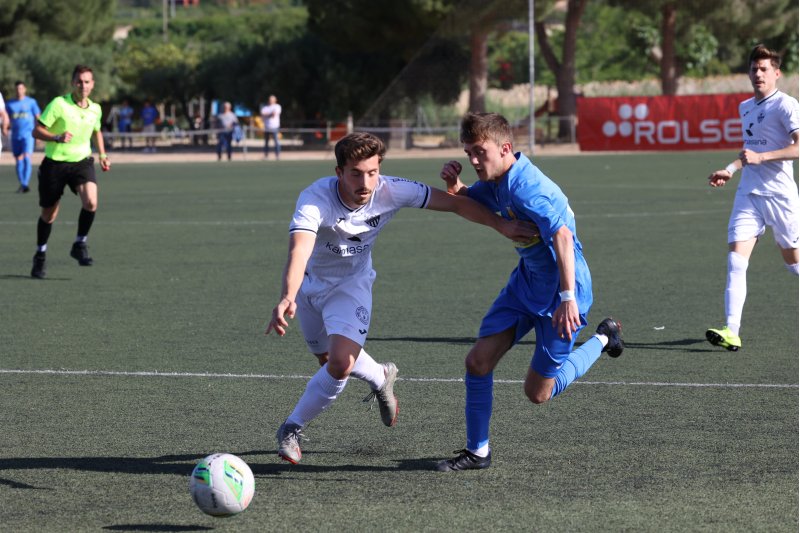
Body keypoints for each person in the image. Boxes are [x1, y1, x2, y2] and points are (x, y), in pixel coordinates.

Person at [266, 132, 539, 465]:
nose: (365, 182)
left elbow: (455, 203)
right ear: (339, 173)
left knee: (339, 364)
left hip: (351, 286)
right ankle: (381, 376)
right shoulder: (314, 199)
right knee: (329, 363)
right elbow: (300, 248)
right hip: (309, 288)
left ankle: (291, 428)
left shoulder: (393, 189)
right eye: (355, 173)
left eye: (372, 172)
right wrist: (288, 296)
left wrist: (502, 226)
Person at [434, 112, 624, 472]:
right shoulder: (496, 178)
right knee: (477, 361)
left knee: (538, 393)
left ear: (505, 147)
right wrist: (456, 185)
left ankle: (604, 337)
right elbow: (471, 201)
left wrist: (568, 298)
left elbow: (563, 237)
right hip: (525, 285)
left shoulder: (527, 188)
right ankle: (478, 452)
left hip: (563, 293)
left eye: (479, 152)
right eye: (468, 152)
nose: (474, 160)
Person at [705, 44, 799, 352]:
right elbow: (749, 151)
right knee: (735, 262)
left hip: (781, 196)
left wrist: (763, 157)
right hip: (749, 193)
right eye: (753, 69)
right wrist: (731, 169)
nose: (758, 74)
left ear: (776, 73)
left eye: (763, 69)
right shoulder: (745, 107)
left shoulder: (787, 105)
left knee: (793, 263)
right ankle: (732, 331)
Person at [30, 64, 111, 279]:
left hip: (81, 162)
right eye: (79, 81)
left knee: (91, 202)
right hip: (55, 164)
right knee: (49, 214)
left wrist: (102, 155)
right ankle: (40, 254)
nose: (82, 85)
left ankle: (80, 243)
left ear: (92, 85)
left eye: (87, 81)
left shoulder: (95, 109)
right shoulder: (59, 104)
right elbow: (36, 130)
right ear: (72, 83)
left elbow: (97, 131)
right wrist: (56, 137)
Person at [5, 81, 41, 193]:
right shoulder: (10, 104)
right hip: (15, 136)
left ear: (24, 89)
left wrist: (39, 133)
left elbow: (38, 117)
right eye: (17, 89)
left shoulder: (31, 102)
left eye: (21, 88)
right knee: (18, 160)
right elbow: (5, 117)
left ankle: (25, 184)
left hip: (28, 135)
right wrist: (5, 127)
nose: (19, 90)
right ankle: (22, 183)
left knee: (26, 157)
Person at [260, 94, 281, 160]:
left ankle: (277, 156)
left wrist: (267, 114)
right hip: (267, 127)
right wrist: (269, 114)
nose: (271, 101)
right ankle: (266, 155)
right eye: (270, 99)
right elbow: (263, 114)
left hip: (275, 127)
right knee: (266, 142)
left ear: (275, 100)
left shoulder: (277, 106)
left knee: (276, 141)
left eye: (272, 99)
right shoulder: (265, 107)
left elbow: (273, 114)